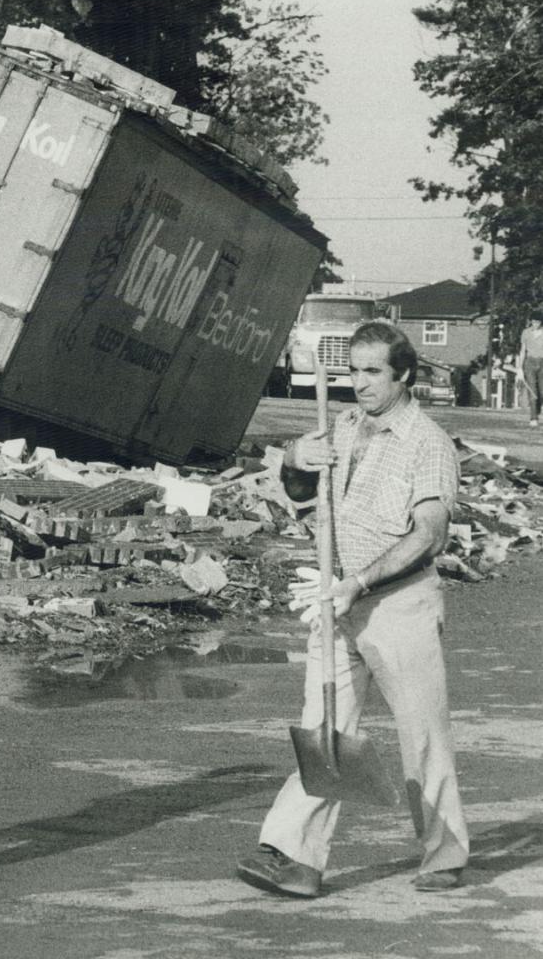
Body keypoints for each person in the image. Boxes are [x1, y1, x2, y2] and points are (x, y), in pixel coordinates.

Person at [236, 321, 468, 899]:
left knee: (422, 733)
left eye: (372, 373)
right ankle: (297, 857)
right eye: (351, 371)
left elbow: (429, 535)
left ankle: (444, 854)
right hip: (337, 599)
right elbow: (300, 497)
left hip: (399, 604)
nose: (358, 384)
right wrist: (295, 459)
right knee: (325, 730)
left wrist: (361, 582)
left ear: (404, 374)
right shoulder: (339, 426)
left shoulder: (427, 442)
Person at [516, 313, 543, 425]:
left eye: (538, 322)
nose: (535, 324)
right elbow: (523, 351)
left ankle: (537, 410)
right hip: (530, 362)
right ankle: (533, 417)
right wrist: (519, 368)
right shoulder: (526, 332)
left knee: (541, 391)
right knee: (532, 391)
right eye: (533, 321)